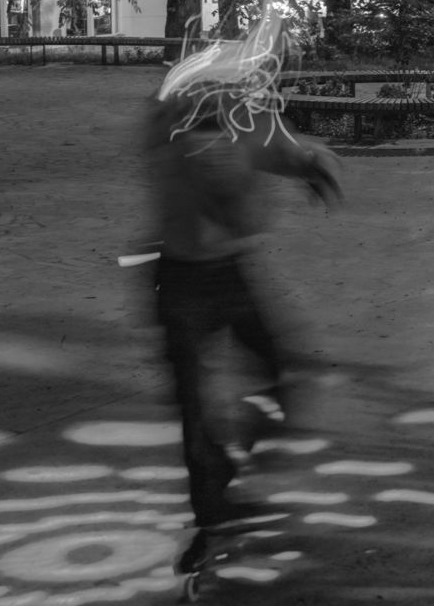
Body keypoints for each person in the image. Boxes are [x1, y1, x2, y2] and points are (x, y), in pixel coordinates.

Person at [144, 84, 342, 544]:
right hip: (190, 277)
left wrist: (306, 163)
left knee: (249, 381)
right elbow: (235, 165)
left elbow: (267, 146)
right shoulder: (192, 130)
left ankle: (217, 479)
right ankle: (212, 496)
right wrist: (308, 163)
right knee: (200, 401)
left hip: (211, 273)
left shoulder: (199, 120)